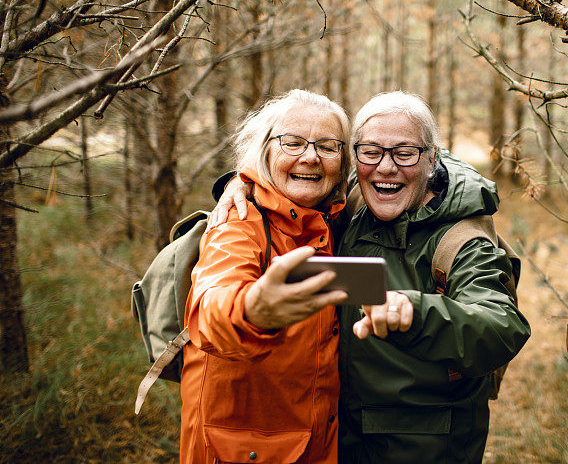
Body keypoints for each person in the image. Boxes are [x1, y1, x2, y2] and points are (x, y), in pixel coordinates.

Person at [215, 91, 530, 463]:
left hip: (424, 448)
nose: (385, 167)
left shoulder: (461, 238)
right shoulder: (350, 205)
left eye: (404, 153)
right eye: (371, 152)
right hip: (340, 440)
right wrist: (242, 184)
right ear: (355, 157)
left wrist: (414, 312)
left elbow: (501, 325)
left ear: (431, 158)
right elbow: (292, 176)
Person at [180, 89, 351, 464]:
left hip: (314, 442)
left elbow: (415, 155)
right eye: (292, 142)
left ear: (344, 161)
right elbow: (211, 305)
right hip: (239, 449)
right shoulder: (239, 221)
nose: (310, 156)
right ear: (265, 151)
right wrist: (253, 311)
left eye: (328, 146)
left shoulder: (338, 218)